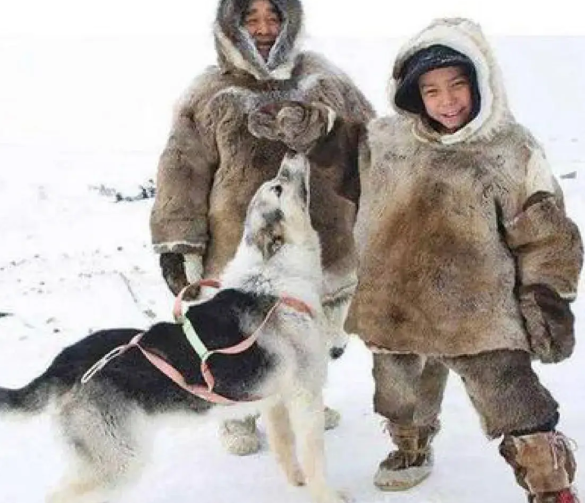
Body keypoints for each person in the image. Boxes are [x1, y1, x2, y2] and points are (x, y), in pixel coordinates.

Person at [341, 17, 582, 503]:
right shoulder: (385, 141)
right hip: (394, 303)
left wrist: (546, 300)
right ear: (413, 96)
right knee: (399, 392)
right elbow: (336, 166)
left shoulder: (511, 149)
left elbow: (546, 236)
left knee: (514, 398)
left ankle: (549, 482)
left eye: (457, 86)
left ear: (481, 82)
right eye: (431, 91)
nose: (447, 102)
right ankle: (411, 447)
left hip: (477, 312)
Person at [149, 0, 374, 456]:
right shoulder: (209, 93)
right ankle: (240, 412)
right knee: (242, 334)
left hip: (322, 241)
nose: (264, 28)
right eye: (251, 18)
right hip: (238, 247)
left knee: (311, 333)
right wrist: (178, 243)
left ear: (291, 22)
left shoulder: (325, 82)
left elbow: (371, 146)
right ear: (231, 26)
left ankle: (301, 403)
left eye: (274, 17)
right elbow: (182, 169)